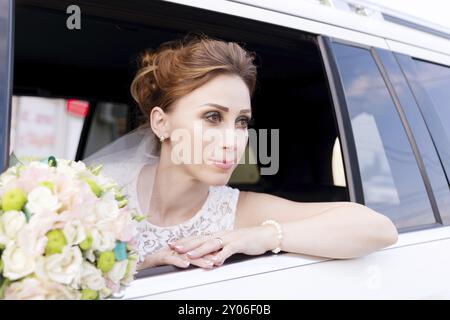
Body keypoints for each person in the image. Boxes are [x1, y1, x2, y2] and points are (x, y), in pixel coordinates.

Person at [84, 32, 398, 271]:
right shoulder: (99, 190)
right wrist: (140, 264)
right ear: (161, 123)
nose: (234, 141)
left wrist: (260, 237)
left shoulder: (239, 210)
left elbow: (378, 229)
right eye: (212, 117)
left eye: (241, 122)